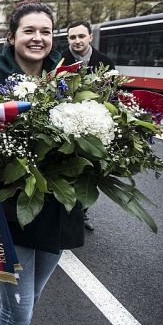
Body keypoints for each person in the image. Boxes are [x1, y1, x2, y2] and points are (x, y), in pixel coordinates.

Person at [0, 2, 85, 325]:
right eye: (29, 31)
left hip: (58, 206)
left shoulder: (68, 73)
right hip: (12, 207)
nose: (38, 38)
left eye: (45, 31)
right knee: (18, 310)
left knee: (32, 298)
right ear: (12, 37)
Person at [62, 20, 114, 231]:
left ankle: (82, 212)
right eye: (72, 37)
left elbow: (114, 95)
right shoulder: (60, 60)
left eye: (81, 36)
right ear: (68, 40)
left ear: (90, 37)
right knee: (67, 170)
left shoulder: (105, 62)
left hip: (95, 127)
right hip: (67, 126)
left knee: (90, 172)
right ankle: (65, 210)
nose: (77, 41)